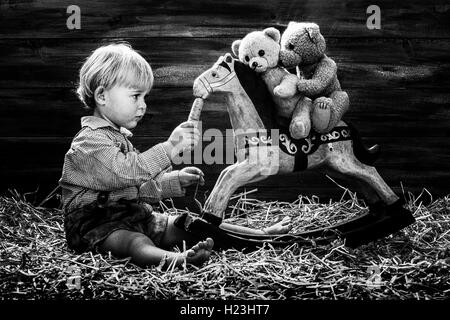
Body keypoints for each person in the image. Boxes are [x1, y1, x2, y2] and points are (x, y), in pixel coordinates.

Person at [59, 43, 292, 269]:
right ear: (102, 95)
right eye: (135, 96)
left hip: (134, 217)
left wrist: (173, 181)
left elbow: (139, 187)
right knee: (135, 242)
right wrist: (170, 148)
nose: (143, 106)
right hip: (94, 226)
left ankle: (260, 235)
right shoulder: (89, 142)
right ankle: (177, 260)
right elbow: (126, 173)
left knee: (188, 223)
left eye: (145, 98)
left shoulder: (118, 139)